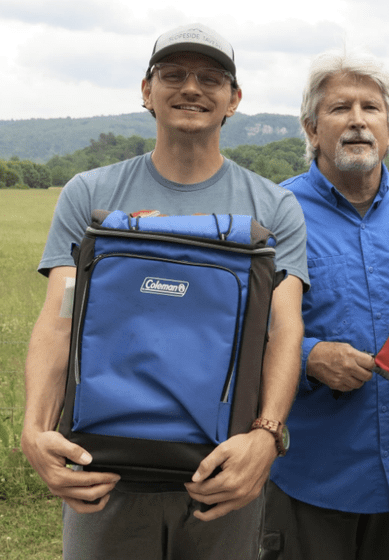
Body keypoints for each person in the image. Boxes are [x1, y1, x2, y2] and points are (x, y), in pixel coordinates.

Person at [20, 23, 308, 560]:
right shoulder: (90, 194)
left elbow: (283, 331)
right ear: (146, 91)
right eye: (172, 74)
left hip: (221, 469)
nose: (191, 88)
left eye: (211, 78)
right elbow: (60, 317)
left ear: (234, 99)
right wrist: (35, 429)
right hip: (103, 471)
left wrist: (266, 437)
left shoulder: (272, 208)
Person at [260, 50, 389, 560]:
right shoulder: (276, 212)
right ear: (311, 129)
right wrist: (308, 356)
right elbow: (238, 326)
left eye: (371, 108)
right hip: (312, 475)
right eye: (340, 108)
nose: (358, 120)